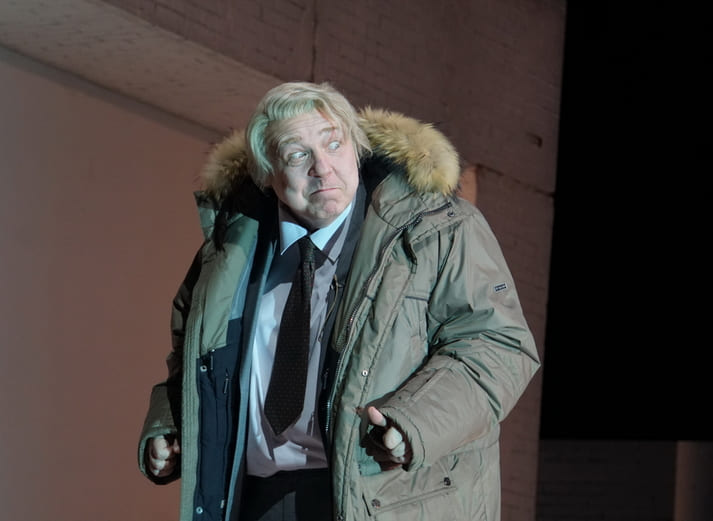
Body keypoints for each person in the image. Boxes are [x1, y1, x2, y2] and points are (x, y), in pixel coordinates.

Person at [138, 81, 540, 521]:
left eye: (334, 144)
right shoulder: (230, 251)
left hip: (389, 500)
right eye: (297, 155)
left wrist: (415, 423)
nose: (322, 168)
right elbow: (193, 360)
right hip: (254, 502)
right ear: (268, 173)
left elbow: (497, 345)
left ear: (358, 148)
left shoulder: (438, 230)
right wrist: (170, 423)